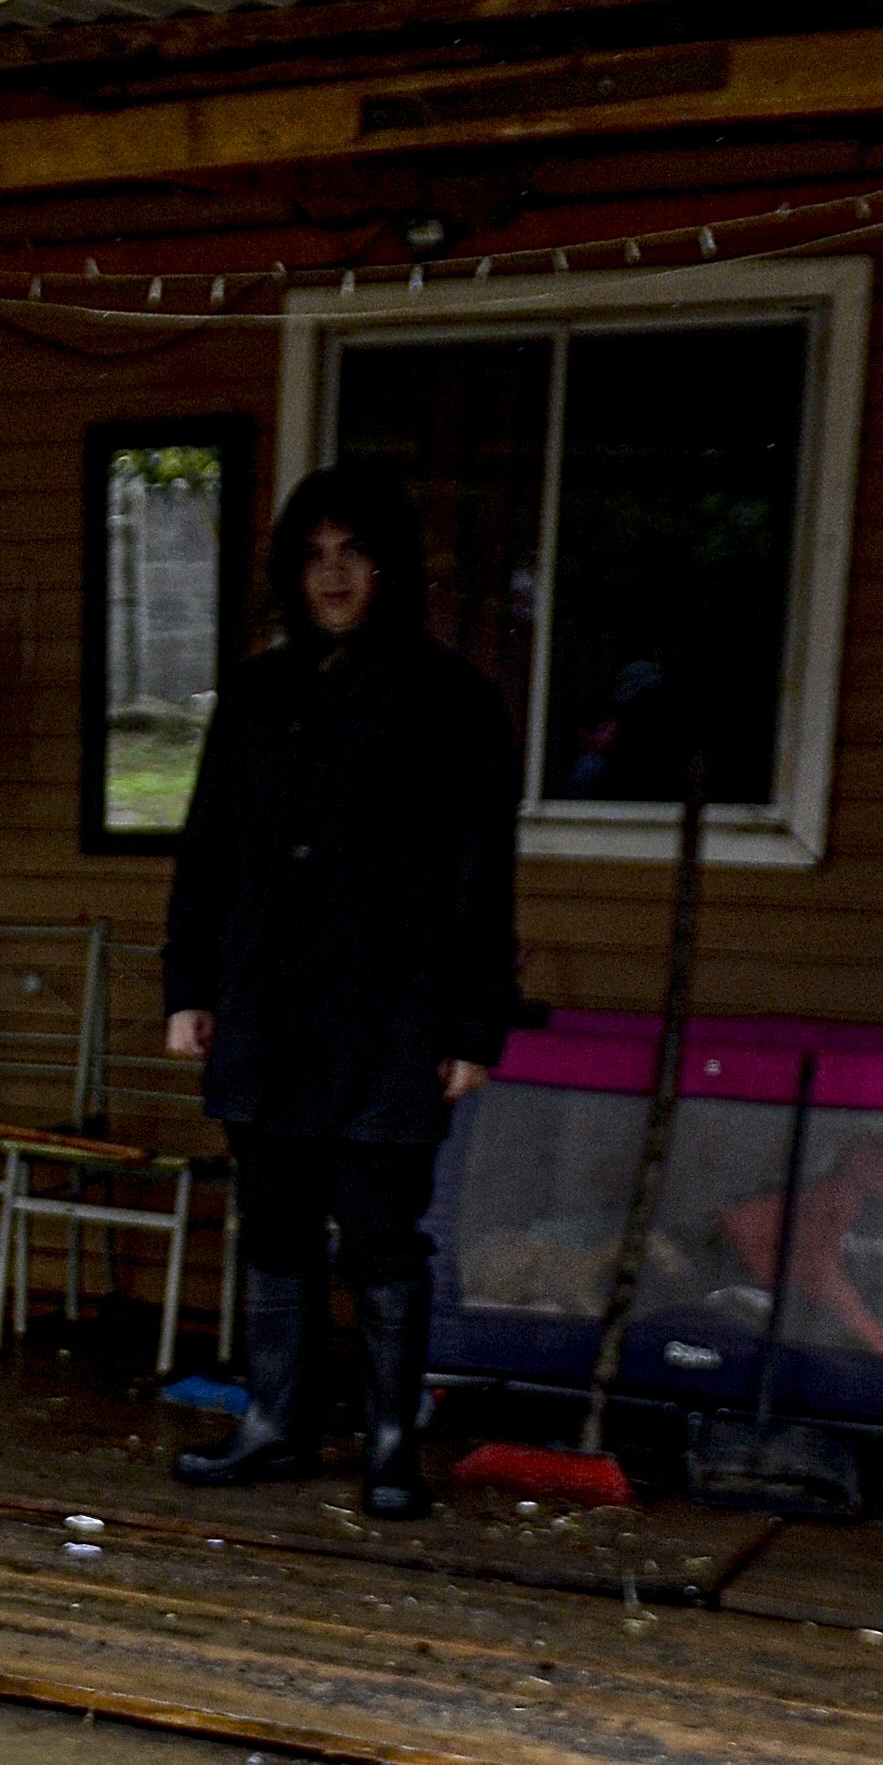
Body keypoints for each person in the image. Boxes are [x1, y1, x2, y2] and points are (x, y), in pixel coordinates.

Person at [159, 464, 522, 1516]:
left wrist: (471, 1024)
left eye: (353, 553)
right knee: (273, 1224)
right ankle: (274, 1427)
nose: (333, 574)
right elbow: (208, 856)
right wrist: (192, 985)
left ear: (389, 568)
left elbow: (480, 877)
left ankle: (392, 1447)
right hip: (269, 1013)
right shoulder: (260, 697)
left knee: (380, 1234)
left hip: (394, 1022)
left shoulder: (454, 704)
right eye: (314, 554)